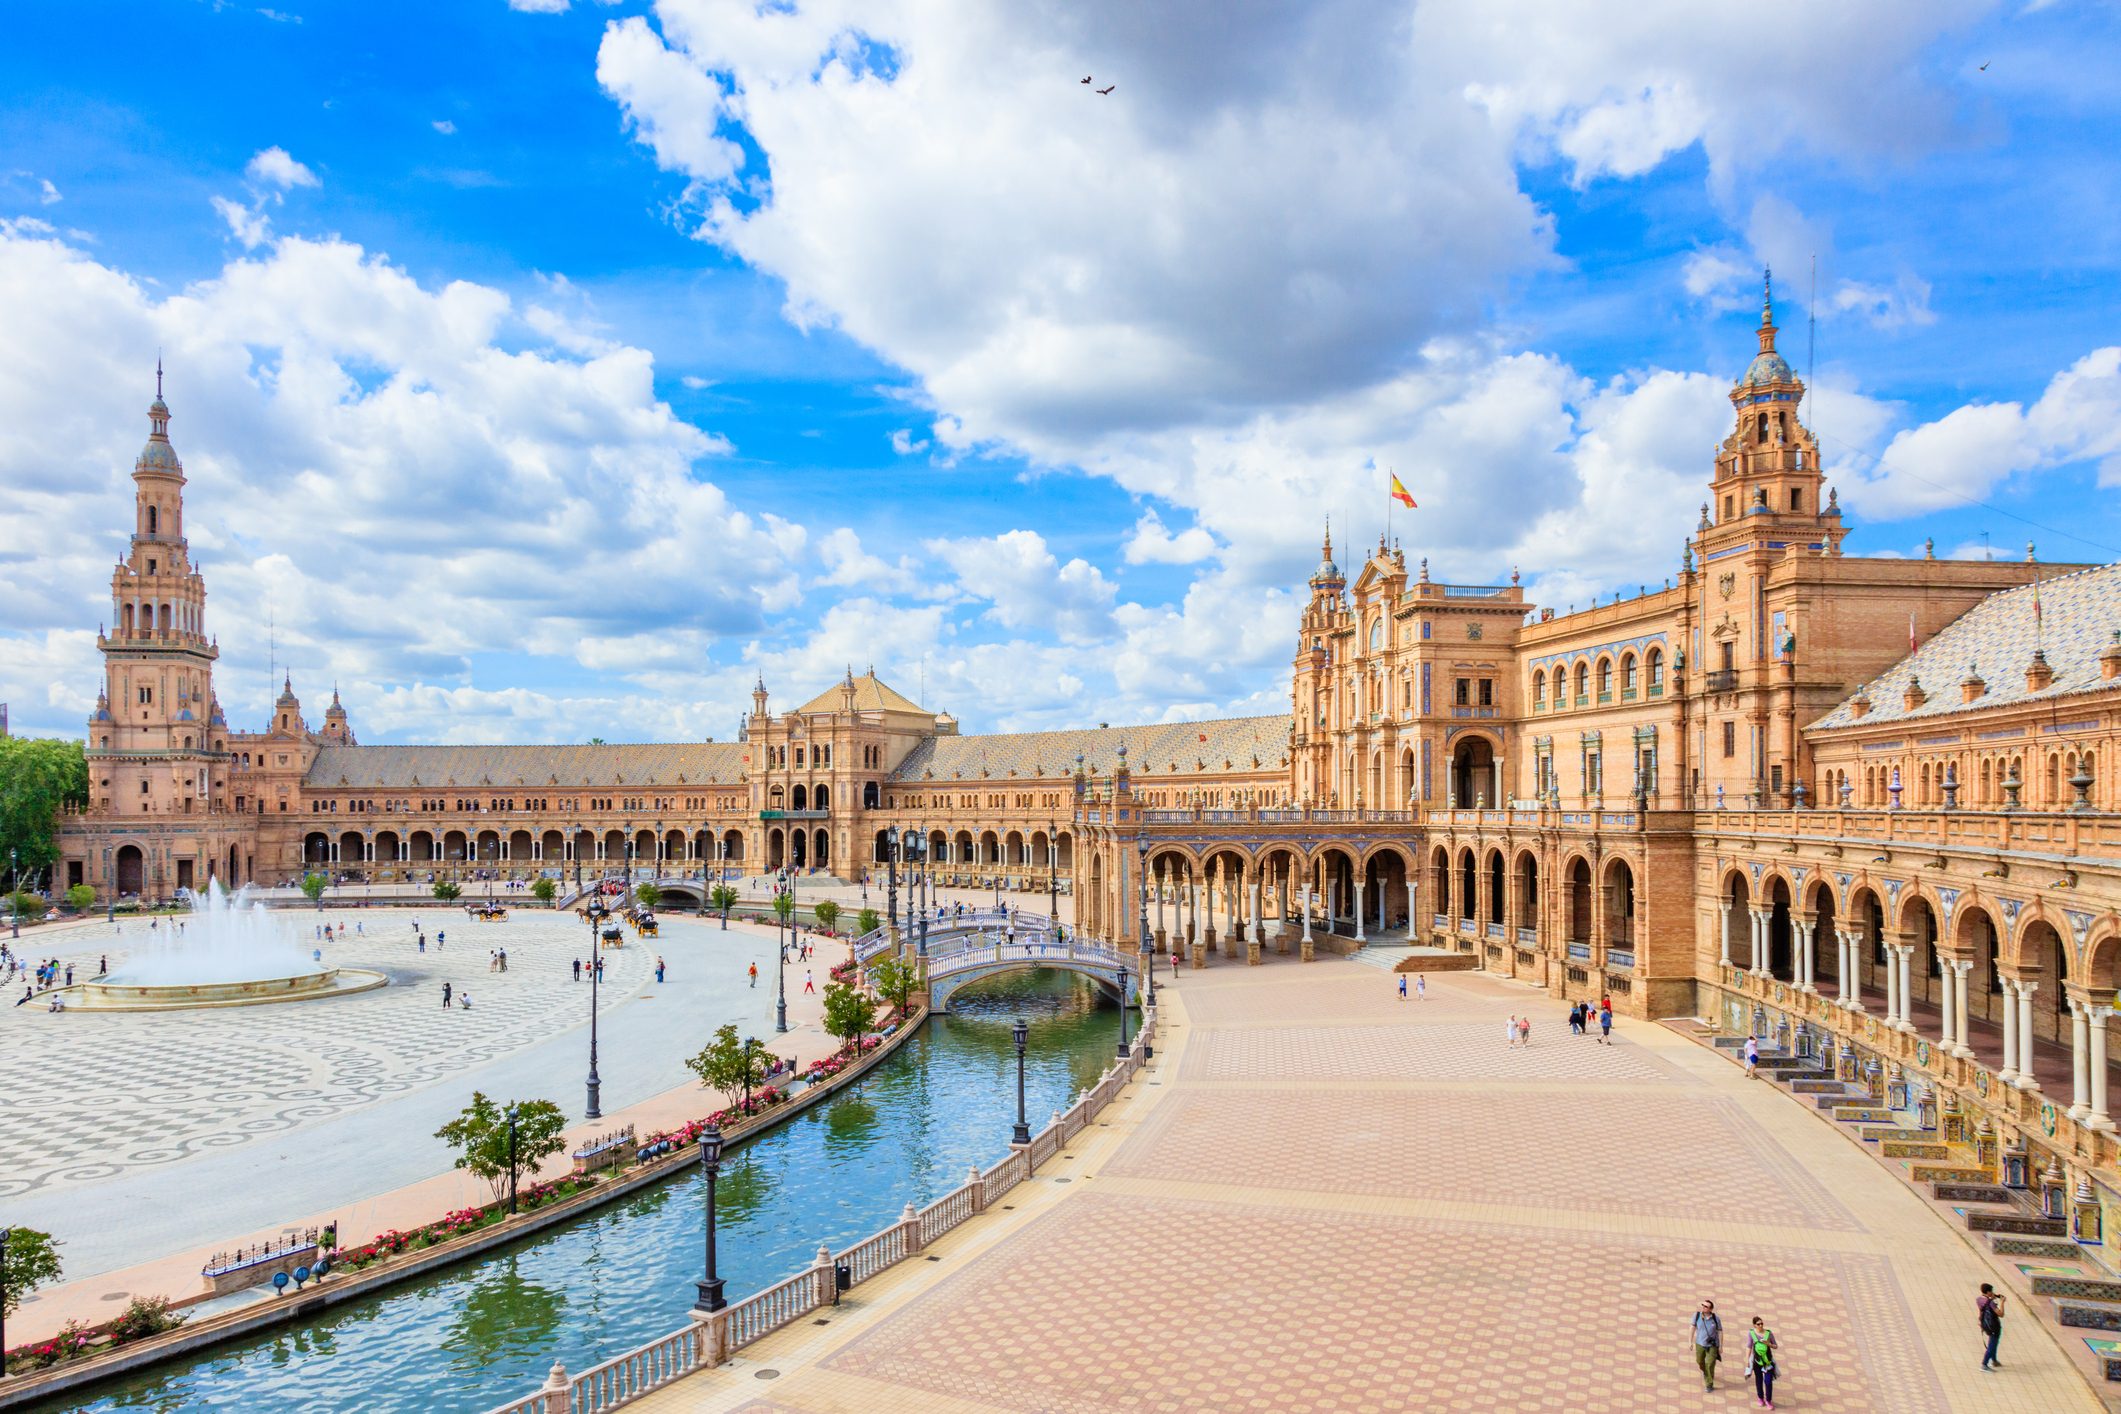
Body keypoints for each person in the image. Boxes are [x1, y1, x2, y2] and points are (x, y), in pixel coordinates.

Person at [1746, 1316, 1777, 1407]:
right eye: (1758, 1324)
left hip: (1767, 1362)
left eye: (1762, 1323)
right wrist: (1747, 1360)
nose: (1761, 1325)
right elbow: (1749, 1346)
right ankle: (1760, 1398)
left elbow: (1776, 1346)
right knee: (1758, 1380)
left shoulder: (1769, 1333)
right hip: (1757, 1361)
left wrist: (1769, 1344)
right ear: (1754, 1325)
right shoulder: (1751, 1333)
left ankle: (1768, 1400)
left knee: (1768, 1381)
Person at [1692, 1300, 1723, 1392]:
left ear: (1711, 1309)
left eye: (1706, 1306)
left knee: (1709, 1364)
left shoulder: (1716, 1318)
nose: (1703, 1307)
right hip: (1700, 1344)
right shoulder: (1697, 1316)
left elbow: (1720, 1331)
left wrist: (1721, 1346)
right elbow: (1692, 1327)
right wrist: (1690, 1341)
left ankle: (1709, 1384)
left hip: (1712, 1345)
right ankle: (1706, 1372)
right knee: (1699, 1361)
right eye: (1703, 1305)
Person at [1979, 1282, 2005, 1369]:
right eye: (1991, 1291)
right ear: (1988, 1292)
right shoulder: (1991, 1303)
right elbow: (2001, 1314)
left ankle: (1994, 1360)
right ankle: (1984, 1364)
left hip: (1985, 1325)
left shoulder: (1979, 1299)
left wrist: (1992, 1298)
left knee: (1993, 1342)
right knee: (1992, 1345)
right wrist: (2002, 1302)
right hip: (1994, 1326)